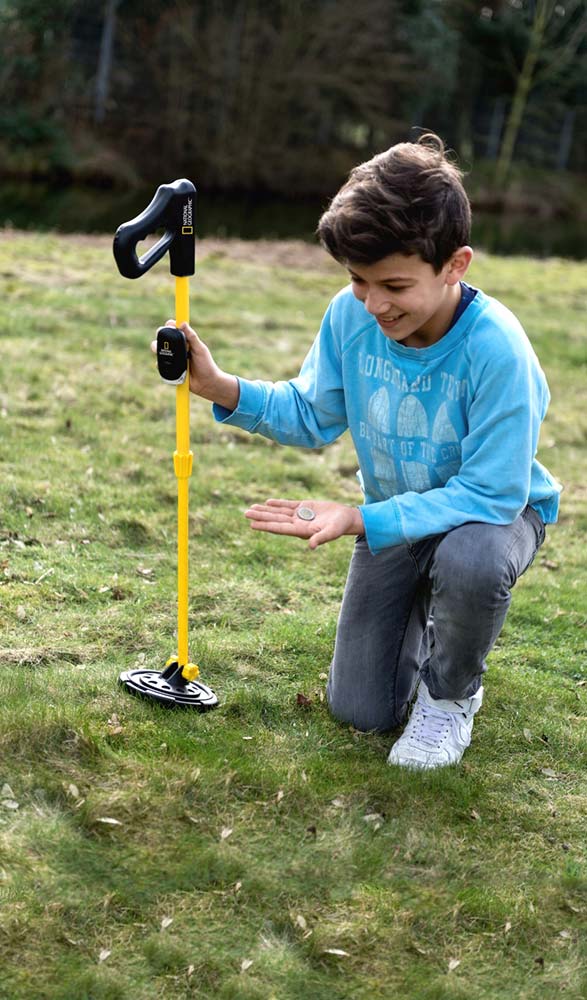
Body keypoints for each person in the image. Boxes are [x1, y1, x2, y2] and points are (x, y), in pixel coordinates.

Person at [154, 134, 561, 769]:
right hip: (398, 516)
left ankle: (451, 693)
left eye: (393, 284)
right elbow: (312, 412)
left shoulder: (498, 350)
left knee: (472, 561)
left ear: (455, 265)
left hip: (493, 515)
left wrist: (358, 519)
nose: (374, 304)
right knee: (360, 711)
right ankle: (435, 614)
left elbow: (491, 492)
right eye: (357, 281)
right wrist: (221, 387)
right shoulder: (352, 316)